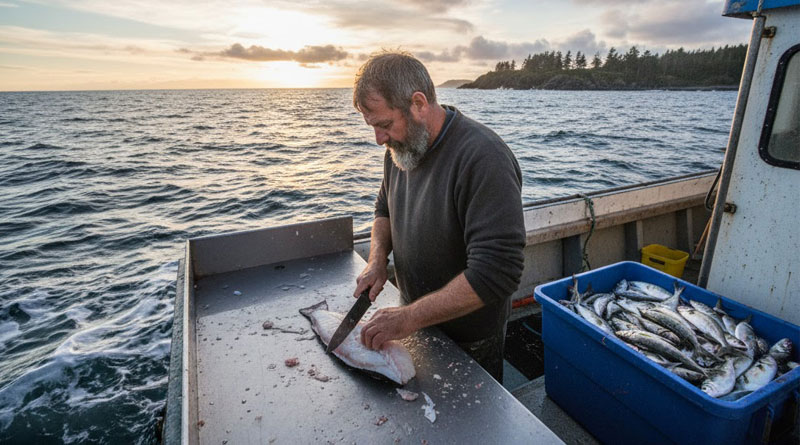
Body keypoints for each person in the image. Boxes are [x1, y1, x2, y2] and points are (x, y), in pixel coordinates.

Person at [352, 51, 526, 382]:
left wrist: (407, 318)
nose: (379, 140)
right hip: (412, 321)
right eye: (373, 127)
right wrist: (376, 261)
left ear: (418, 104)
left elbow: (497, 272)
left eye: (385, 125)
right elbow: (384, 208)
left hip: (469, 338)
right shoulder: (400, 150)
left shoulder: (485, 158)